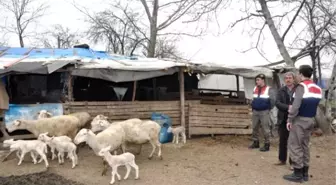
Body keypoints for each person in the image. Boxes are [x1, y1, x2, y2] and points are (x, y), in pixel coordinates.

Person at [283, 65, 322, 182]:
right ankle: (305, 172)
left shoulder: (301, 87)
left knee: (295, 145)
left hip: (299, 120)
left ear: (300, 74)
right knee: (305, 145)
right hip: (310, 119)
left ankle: (297, 173)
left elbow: (295, 106)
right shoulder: (317, 88)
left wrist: (289, 119)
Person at [248, 73, 275, 152]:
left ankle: (267, 144)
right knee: (254, 127)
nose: (257, 81)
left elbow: (273, 101)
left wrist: (268, 108)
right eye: (256, 80)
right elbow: (253, 99)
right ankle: (255, 142)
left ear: (263, 80)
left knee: (265, 128)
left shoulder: (268, 89)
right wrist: (253, 106)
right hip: (255, 111)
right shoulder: (255, 88)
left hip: (264, 111)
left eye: (258, 80)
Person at [275, 72, 295, 168]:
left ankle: (293, 163)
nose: (288, 79)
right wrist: (288, 107)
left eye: (290, 77)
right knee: (282, 141)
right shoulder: (281, 90)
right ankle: (282, 159)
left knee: (293, 142)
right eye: (286, 78)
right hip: (283, 118)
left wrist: (293, 108)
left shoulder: (298, 89)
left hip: (295, 119)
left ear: (293, 79)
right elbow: (277, 103)